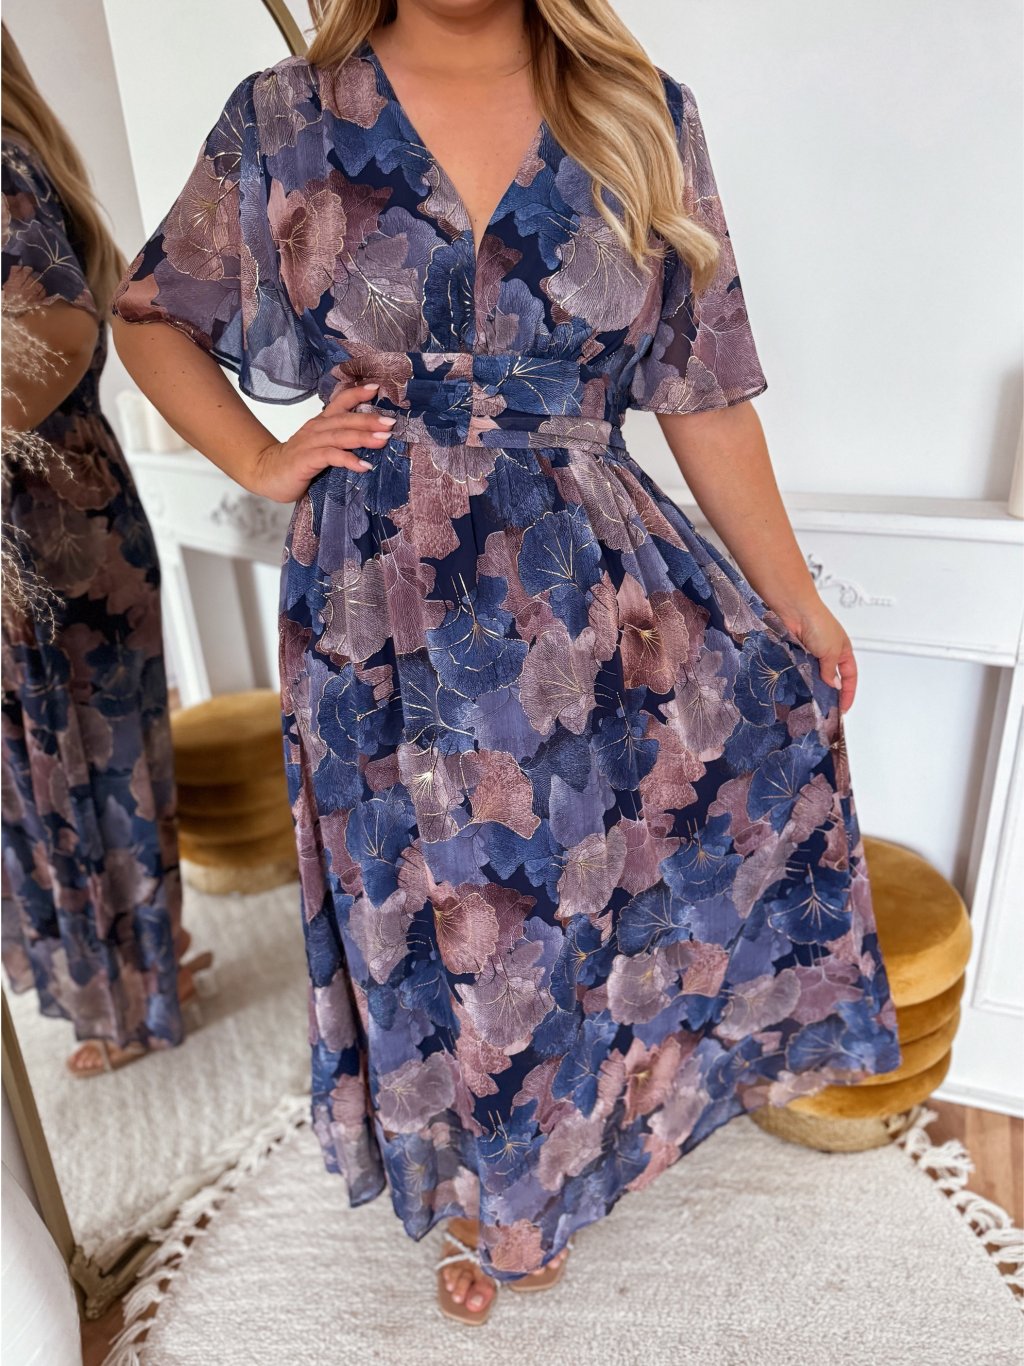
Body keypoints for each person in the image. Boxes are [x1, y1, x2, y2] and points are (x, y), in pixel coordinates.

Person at [110, 0, 902, 1325]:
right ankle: (490, 1185)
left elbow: (703, 394)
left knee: (563, 914)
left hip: (589, 608)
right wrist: (258, 456)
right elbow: (149, 315)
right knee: (428, 911)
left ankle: (542, 1186)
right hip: (378, 607)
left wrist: (798, 605)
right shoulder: (284, 117)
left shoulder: (643, 114)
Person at [0, 23, 207, 1078]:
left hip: (51, 530)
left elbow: (61, 330)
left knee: (84, 759)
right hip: (64, 515)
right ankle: (142, 970)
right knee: (88, 754)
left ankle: (129, 1000)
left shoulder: (1, 164)